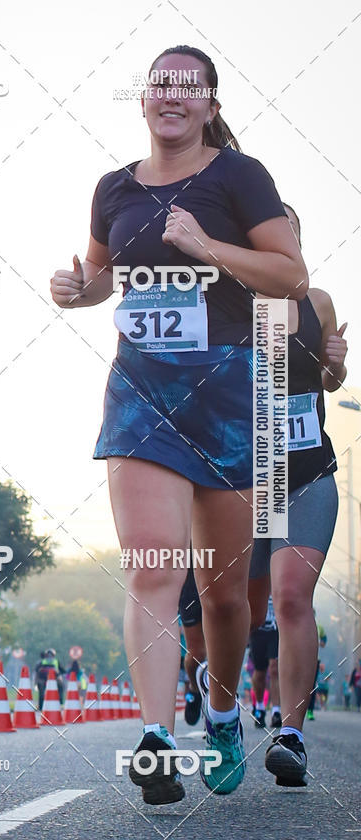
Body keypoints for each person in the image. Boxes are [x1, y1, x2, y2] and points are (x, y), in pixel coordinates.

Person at [51, 44, 308, 803]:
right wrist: (76, 289)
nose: (172, 97)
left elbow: (291, 276)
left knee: (225, 596)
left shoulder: (240, 175)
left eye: (188, 88)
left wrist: (207, 248)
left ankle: (221, 711)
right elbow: (101, 277)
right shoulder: (113, 187)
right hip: (141, 390)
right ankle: (158, 738)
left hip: (229, 390)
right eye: (160, 85)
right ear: (143, 100)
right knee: (153, 568)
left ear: (210, 106)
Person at [248, 204, 347, 787]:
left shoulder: (319, 303)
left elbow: (328, 381)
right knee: (232, 608)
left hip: (308, 470)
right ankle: (222, 717)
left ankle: (291, 736)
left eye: (293, 233)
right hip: (241, 478)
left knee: (290, 601)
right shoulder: (230, 301)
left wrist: (336, 364)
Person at [248, 595, 281, 728]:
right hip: (257, 630)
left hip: (275, 631)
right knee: (260, 671)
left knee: (274, 668)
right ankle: (260, 708)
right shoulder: (256, 573)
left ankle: (276, 712)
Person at [178, 567, 206, 726]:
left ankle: (222, 712)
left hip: (223, 570)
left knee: (220, 653)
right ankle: (196, 689)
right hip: (192, 579)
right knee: (197, 654)